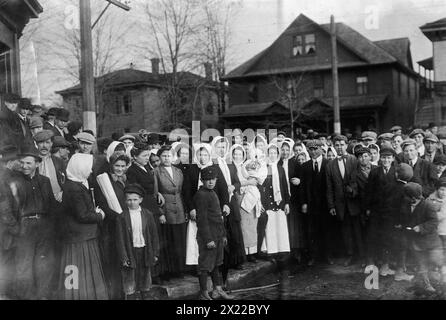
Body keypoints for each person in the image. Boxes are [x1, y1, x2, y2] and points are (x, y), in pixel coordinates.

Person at [9, 147, 57, 299]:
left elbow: (51, 205)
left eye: (28, 163)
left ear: (37, 163)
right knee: (24, 265)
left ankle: (43, 295)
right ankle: (26, 296)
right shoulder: (14, 182)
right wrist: (17, 229)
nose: (24, 166)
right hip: (24, 226)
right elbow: (8, 208)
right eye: (22, 163)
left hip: (43, 225)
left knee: (43, 264)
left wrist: (51, 227)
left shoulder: (45, 181)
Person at [59, 153, 108, 300]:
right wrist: (100, 215)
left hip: (81, 235)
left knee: (76, 268)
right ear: (80, 168)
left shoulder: (76, 184)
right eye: (89, 168)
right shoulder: (75, 188)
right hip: (79, 237)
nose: (91, 171)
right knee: (78, 267)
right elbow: (82, 216)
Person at [195, 166, 234, 300]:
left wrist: (223, 235)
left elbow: (218, 217)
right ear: (202, 180)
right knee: (205, 265)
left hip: (217, 234)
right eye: (207, 180)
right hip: (208, 236)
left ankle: (218, 288)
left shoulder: (212, 193)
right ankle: (204, 292)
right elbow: (202, 220)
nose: (210, 182)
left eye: (212, 179)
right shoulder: (201, 195)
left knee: (217, 263)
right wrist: (208, 239)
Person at [95, 153, 131, 299]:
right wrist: (118, 217)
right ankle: (114, 294)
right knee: (113, 260)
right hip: (111, 224)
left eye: (123, 166)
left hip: (125, 223)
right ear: (111, 165)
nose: (120, 169)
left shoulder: (126, 180)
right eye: (117, 165)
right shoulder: (104, 180)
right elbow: (102, 203)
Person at [116, 183, 160, 300]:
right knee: (129, 275)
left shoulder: (147, 214)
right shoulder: (122, 217)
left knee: (145, 274)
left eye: (135, 199)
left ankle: (145, 294)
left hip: (144, 249)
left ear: (140, 199)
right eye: (129, 200)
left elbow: (154, 235)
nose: (132, 202)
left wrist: (155, 253)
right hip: (130, 251)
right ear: (125, 201)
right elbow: (120, 239)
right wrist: (124, 257)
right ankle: (131, 296)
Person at [401, 182, 446, 293]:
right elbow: (405, 219)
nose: (404, 198)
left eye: (406, 196)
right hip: (416, 242)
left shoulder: (428, 205)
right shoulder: (406, 205)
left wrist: (421, 227)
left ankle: (443, 276)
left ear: (413, 197)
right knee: (421, 264)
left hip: (431, 241)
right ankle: (427, 284)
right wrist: (401, 224)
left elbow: (434, 222)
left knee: (438, 261)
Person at [326, 135, 363, 267]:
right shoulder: (330, 165)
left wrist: (353, 191)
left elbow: (359, 180)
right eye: (337, 145)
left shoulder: (354, 160)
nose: (340, 147)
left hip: (354, 202)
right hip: (340, 204)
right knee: (346, 231)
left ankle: (362, 256)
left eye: (342, 144)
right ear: (334, 147)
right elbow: (329, 187)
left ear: (346, 145)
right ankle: (350, 255)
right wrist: (331, 205)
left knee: (358, 230)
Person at [211, 136, 245, 271]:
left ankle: (237, 261)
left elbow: (237, 181)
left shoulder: (229, 163)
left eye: (224, 147)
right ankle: (223, 263)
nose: (221, 149)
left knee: (235, 229)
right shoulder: (213, 163)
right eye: (219, 146)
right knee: (223, 229)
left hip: (231, 200)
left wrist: (233, 187)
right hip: (219, 200)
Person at [154, 145, 187, 278]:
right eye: (164, 156)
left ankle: (179, 269)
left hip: (179, 207)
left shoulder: (178, 171)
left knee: (179, 239)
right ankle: (169, 271)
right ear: (159, 157)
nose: (167, 158)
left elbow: (182, 191)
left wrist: (184, 209)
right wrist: (160, 212)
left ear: (173, 157)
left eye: (169, 155)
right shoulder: (156, 171)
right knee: (169, 239)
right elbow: (155, 193)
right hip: (166, 208)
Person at [259, 144, 290, 281]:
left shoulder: (280, 169)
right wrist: (261, 203)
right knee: (270, 230)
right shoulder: (263, 169)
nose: (272, 155)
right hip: (268, 205)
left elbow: (284, 186)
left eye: (274, 153)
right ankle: (272, 256)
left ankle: (282, 258)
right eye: (269, 153)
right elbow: (261, 187)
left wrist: (287, 202)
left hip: (280, 204)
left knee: (281, 231)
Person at [366, 147, 398, 276]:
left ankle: (385, 265)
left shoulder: (397, 172)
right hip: (376, 211)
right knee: (373, 236)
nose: (386, 160)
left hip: (391, 212)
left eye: (388, 158)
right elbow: (368, 192)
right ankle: (371, 263)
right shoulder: (374, 172)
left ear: (393, 159)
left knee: (388, 237)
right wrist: (367, 208)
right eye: (383, 157)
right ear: (380, 158)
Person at [300, 140, 332, 266]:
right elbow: (302, 187)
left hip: (325, 204)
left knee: (327, 230)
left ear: (321, 149)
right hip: (311, 204)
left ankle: (327, 255)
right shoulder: (305, 166)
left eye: (315, 149)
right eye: (310, 149)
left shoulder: (328, 164)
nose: (313, 152)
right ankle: (313, 256)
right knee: (312, 231)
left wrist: (331, 204)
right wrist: (304, 203)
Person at [230, 144, 263, 262]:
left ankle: (252, 253)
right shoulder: (230, 167)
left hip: (251, 196)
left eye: (240, 154)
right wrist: (247, 183)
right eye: (235, 154)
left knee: (252, 225)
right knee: (243, 226)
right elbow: (234, 183)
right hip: (240, 197)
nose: (237, 156)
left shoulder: (247, 165)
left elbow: (256, 180)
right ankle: (244, 252)